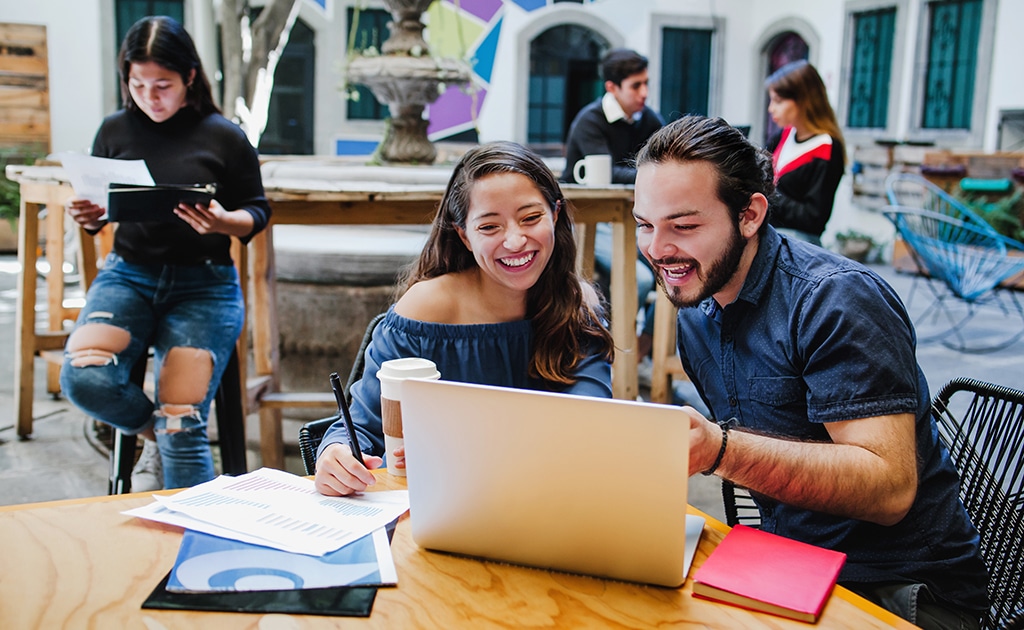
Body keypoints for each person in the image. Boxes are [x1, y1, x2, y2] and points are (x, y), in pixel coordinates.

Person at [632, 115, 988, 629]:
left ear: (751, 214)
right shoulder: (697, 310)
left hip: (899, 591)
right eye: (646, 224)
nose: (658, 250)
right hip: (789, 567)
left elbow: (889, 490)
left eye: (684, 226)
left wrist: (720, 450)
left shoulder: (835, 300)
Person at [315, 141, 615, 497]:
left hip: (551, 504)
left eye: (531, 217)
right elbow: (361, 427)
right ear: (464, 236)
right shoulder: (426, 309)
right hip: (437, 512)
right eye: (489, 227)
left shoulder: (577, 306)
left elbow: (590, 424)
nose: (516, 240)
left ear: (555, 214)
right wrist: (333, 456)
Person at [61, 16, 272, 491]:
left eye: (163, 85)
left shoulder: (225, 136)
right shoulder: (114, 129)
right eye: (137, 84)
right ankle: (160, 435)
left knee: (184, 417)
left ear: (189, 78)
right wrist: (91, 215)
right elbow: (104, 212)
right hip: (128, 276)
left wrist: (222, 221)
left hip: (205, 286)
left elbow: (257, 212)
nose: (150, 97)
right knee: (84, 379)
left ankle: (192, 552)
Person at [561, 48, 663, 361]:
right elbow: (605, 173)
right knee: (643, 278)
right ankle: (613, 357)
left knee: (681, 268)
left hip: (631, 221)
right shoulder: (590, 121)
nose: (644, 92)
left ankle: (639, 353)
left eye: (646, 83)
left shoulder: (649, 120)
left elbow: (668, 162)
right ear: (611, 87)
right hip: (588, 224)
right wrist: (648, 173)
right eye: (636, 85)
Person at [765, 59, 845, 246]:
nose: (771, 108)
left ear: (802, 101)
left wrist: (768, 194)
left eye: (778, 101)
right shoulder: (783, 136)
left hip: (797, 245)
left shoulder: (827, 148)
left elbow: (814, 218)